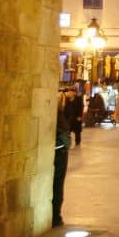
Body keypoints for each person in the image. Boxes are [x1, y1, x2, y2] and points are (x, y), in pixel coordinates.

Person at [52, 91, 70, 227]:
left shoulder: (55, 116)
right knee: (58, 185)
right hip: (60, 153)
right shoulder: (60, 116)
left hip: (57, 152)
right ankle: (55, 216)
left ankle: (55, 216)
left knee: (56, 185)